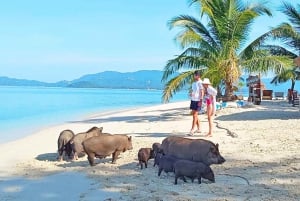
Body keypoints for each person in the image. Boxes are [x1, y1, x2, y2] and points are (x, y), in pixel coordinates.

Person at [188, 71, 204, 136]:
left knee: (195, 115)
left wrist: (201, 100)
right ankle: (199, 128)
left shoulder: (200, 83)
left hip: (198, 100)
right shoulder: (194, 83)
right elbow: (194, 91)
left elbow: (202, 92)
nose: (194, 76)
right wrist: (191, 94)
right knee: (194, 115)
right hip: (193, 99)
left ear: (198, 76)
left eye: (195, 75)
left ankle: (192, 130)